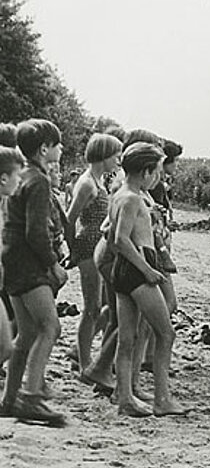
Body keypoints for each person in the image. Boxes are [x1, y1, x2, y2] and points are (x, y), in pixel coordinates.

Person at [0, 119, 69, 425]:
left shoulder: (23, 176)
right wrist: (53, 263)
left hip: (12, 260)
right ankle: (32, 397)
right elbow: (37, 232)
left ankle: (10, 398)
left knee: (27, 332)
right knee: (50, 327)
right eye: (58, 144)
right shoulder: (39, 182)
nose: (61, 148)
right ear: (45, 149)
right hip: (29, 263)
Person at [110, 142, 185, 416]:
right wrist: (147, 270)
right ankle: (162, 398)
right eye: (156, 172)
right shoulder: (132, 199)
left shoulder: (120, 195)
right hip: (137, 268)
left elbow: (111, 235)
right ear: (145, 172)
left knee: (128, 337)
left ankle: (125, 395)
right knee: (166, 333)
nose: (159, 177)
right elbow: (120, 239)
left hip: (123, 271)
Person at [66, 133, 122, 372]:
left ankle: (82, 350)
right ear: (103, 156)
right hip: (87, 247)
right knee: (91, 307)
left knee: (100, 305)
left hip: (94, 246)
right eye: (115, 155)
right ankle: (84, 360)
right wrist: (71, 250)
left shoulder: (98, 180)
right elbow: (69, 219)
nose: (118, 160)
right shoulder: (88, 183)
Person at [0, 146, 25, 365]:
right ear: (3, 178)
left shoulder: (4, 206)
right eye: (18, 174)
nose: (20, 180)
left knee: (6, 346)